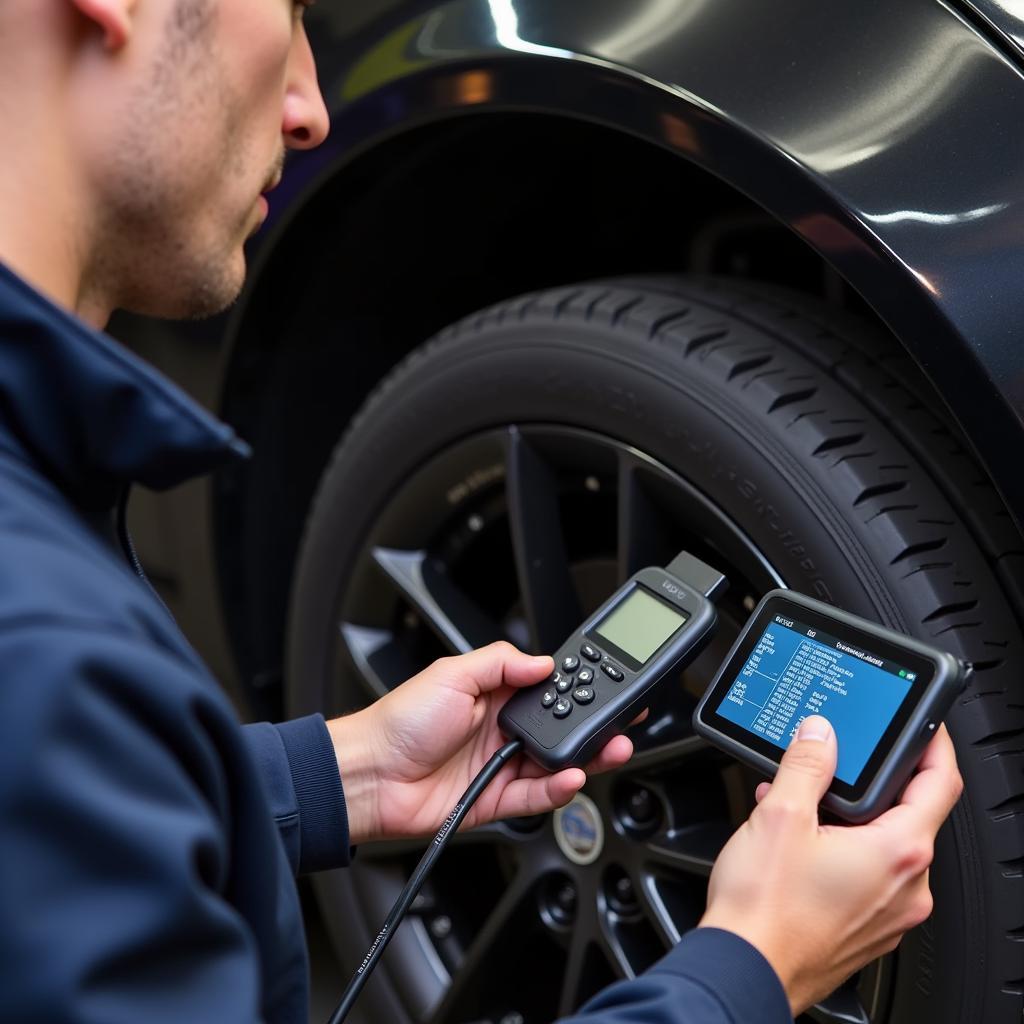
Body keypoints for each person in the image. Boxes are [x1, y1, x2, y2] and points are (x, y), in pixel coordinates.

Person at [0, 2, 963, 1023]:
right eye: (285, 14)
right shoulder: (47, 661)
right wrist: (743, 974)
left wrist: (336, 776)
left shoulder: (49, 672)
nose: (310, 109)